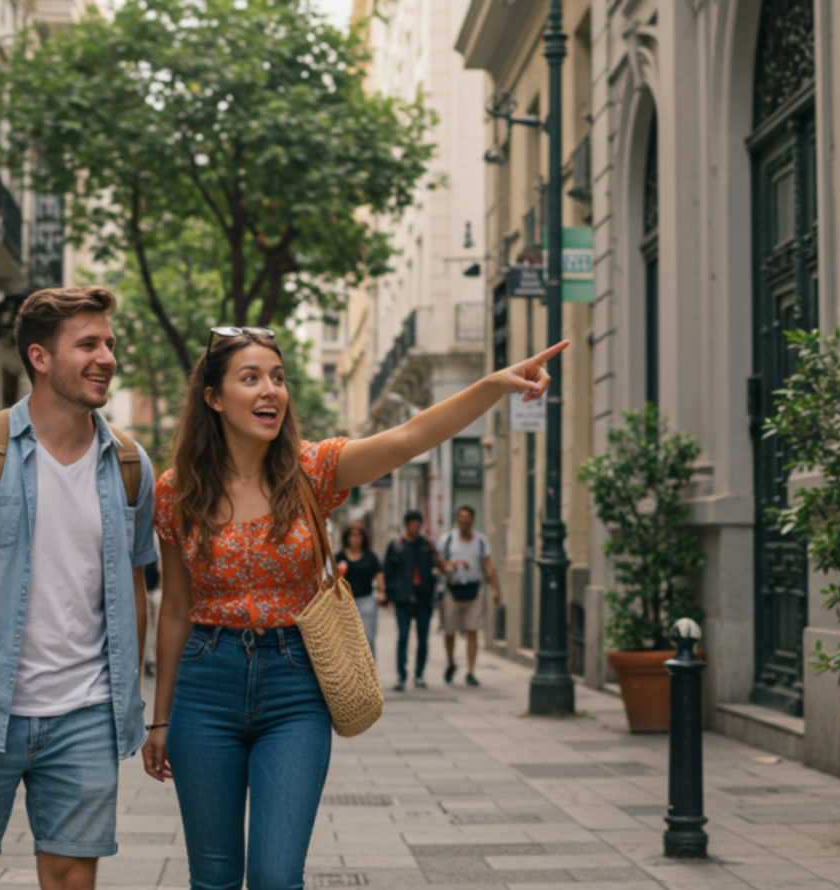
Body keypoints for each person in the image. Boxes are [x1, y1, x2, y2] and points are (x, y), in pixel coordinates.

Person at [142, 326, 567, 890]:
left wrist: (491, 386)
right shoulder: (176, 491)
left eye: (277, 377)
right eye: (251, 378)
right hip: (205, 684)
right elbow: (175, 608)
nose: (271, 390)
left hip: (296, 687)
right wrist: (160, 717)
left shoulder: (313, 471)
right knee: (214, 877)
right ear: (213, 397)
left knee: (275, 877)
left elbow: (412, 436)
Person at [0, 286, 156, 890]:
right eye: (88, 344)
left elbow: (136, 583)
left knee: (73, 878)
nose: (106, 358)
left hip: (86, 715)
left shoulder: (129, 464)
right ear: (40, 357)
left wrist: (131, 698)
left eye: (110, 345)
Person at [382, 509, 447, 692]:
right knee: (403, 637)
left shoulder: (426, 545)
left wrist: (435, 551)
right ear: (406, 526)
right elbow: (387, 572)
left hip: (424, 599)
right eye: (413, 526)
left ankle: (419, 674)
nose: (416, 529)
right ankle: (401, 676)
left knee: (423, 639)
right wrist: (389, 596)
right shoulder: (396, 545)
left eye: (419, 526)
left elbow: (440, 567)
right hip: (403, 599)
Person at [439, 504, 501, 686]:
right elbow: (440, 564)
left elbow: (487, 565)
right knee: (449, 631)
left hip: (474, 590)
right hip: (453, 589)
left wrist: (495, 588)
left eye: (467, 517)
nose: (464, 520)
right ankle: (451, 663)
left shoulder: (481, 541)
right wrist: (454, 563)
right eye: (461, 517)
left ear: (473, 519)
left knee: (472, 631)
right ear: (457, 519)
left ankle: (471, 670)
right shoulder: (448, 539)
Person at [335, 522, 384, 656]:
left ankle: (370, 672)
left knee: (368, 638)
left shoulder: (371, 557)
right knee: (345, 640)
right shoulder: (339, 557)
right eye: (352, 535)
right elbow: (331, 578)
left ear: (363, 538)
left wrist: (381, 592)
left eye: (358, 535)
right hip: (344, 602)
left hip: (366, 600)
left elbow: (379, 575)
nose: (355, 539)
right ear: (347, 538)